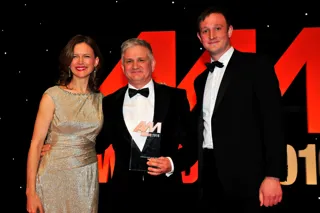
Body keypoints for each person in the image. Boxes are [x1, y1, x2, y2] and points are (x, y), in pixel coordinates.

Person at [192, 6, 287, 212]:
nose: (212, 35)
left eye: (218, 28)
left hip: (248, 179)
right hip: (209, 177)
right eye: (205, 31)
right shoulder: (200, 81)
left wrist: (273, 175)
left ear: (230, 31)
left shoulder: (256, 65)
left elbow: (273, 121)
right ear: (200, 38)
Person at [95, 38, 197, 212]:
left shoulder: (175, 97)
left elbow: (194, 143)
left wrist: (172, 163)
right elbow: (97, 144)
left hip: (166, 195)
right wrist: (60, 145)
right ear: (122, 67)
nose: (135, 65)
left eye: (141, 60)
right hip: (122, 197)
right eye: (129, 61)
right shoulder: (109, 103)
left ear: (153, 64)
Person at [26, 34, 104, 213]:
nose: (80, 61)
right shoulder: (52, 96)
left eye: (86, 56)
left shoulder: (102, 101)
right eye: (75, 56)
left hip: (86, 179)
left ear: (96, 61)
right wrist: (31, 192)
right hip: (52, 176)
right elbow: (36, 144)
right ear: (68, 61)